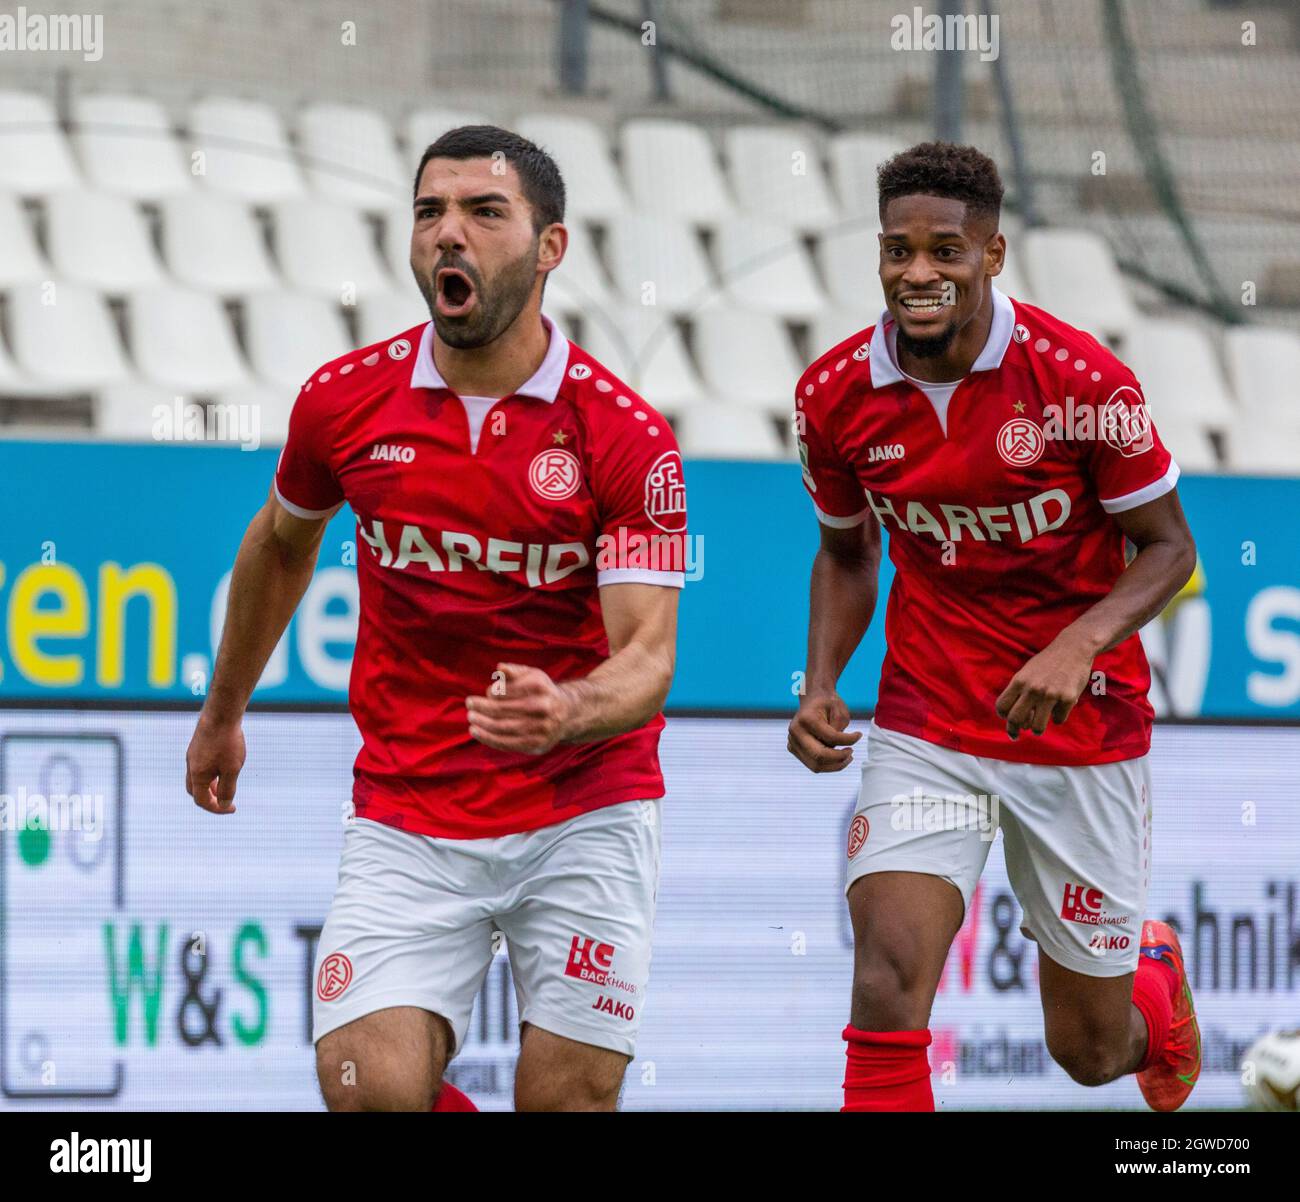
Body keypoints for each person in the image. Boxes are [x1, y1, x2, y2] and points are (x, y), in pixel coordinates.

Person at [185, 126, 688, 1111]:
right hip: (409, 812)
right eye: (429, 212)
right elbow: (282, 545)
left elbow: (647, 659)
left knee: (567, 1100)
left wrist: (569, 707)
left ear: (551, 247)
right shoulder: (342, 401)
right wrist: (222, 709)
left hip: (581, 806)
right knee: (363, 1086)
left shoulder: (625, 437)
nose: (447, 234)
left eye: (482, 212)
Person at [788, 142, 1200, 1112]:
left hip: (1080, 728)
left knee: (1089, 1051)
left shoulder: (1081, 381)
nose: (917, 273)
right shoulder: (832, 395)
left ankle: (1152, 993)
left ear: (993, 253)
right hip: (930, 720)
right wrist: (816, 685)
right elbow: (849, 555)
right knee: (886, 982)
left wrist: (1076, 643)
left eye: (945, 251)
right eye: (897, 250)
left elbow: (1169, 548)